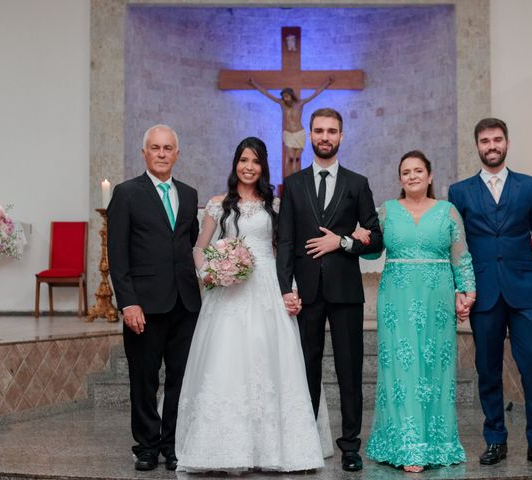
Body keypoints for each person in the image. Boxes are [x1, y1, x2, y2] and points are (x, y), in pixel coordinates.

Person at [175, 137, 329, 473]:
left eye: (255, 161)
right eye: (243, 160)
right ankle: (223, 447)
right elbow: (200, 248)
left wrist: (291, 288)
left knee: (269, 358)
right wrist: (211, 271)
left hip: (268, 286)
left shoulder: (275, 205)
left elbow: (284, 250)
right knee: (227, 360)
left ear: (263, 166)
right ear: (235, 163)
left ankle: (277, 449)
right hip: (228, 293)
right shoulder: (218, 205)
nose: (249, 166)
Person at [448, 117, 532, 468]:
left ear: (506, 143)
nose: (491, 146)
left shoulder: (529, 186)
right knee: (487, 369)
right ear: (477, 146)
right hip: (483, 293)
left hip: (526, 291)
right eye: (485, 141)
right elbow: (456, 247)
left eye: (497, 139)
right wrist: (459, 289)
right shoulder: (460, 191)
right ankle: (495, 439)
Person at [276, 108, 383, 472]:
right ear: (309, 135)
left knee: (349, 371)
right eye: (319, 131)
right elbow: (285, 241)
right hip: (304, 294)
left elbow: (376, 241)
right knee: (306, 368)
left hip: (346, 293)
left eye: (332, 131)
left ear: (341, 136)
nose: (325, 136)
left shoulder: (357, 183)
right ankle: (306, 443)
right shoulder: (292, 185)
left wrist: (343, 242)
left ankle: (350, 446)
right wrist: (284, 288)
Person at [354, 151, 475, 473]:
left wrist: (467, 292)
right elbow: (371, 252)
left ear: (430, 176)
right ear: (400, 179)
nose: (412, 176)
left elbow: (460, 256)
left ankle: (436, 443)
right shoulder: (387, 211)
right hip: (397, 298)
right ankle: (404, 445)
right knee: (401, 367)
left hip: (437, 299)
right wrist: (360, 240)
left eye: (418, 170)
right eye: (406, 172)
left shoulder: (448, 212)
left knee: (435, 366)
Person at [107, 124, 201, 472]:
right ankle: (146, 446)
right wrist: (128, 302)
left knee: (180, 378)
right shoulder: (127, 193)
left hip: (185, 304)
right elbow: (117, 254)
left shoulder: (190, 195)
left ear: (177, 154)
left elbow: (191, 246)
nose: (162, 154)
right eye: (155, 148)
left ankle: (171, 444)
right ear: (144, 153)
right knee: (144, 379)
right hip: (143, 305)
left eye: (168, 148)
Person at [248, 76, 333, 177]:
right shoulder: (282, 104)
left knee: (296, 159)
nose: (285, 98)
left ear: (291, 95)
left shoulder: (300, 103)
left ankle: (295, 180)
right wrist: (254, 84)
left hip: (299, 133)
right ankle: (288, 180)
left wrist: (327, 83)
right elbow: (267, 94)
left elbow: (315, 94)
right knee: (290, 157)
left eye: (287, 96)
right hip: (288, 134)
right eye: (284, 96)